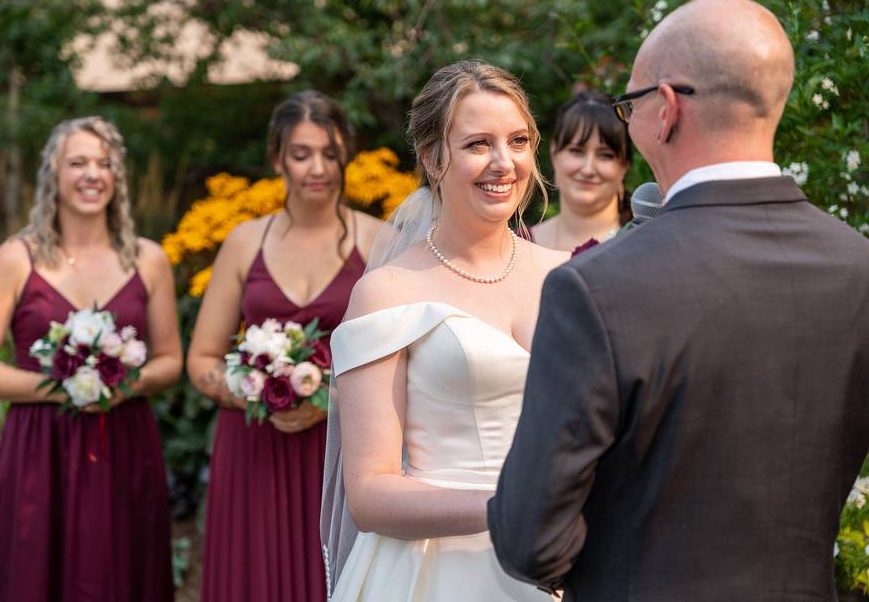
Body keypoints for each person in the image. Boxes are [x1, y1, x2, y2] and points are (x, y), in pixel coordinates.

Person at [489, 0, 869, 600]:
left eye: (630, 103)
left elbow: (529, 540)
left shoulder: (597, 287)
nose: (629, 118)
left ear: (665, 109)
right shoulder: (860, 269)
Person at [326, 60, 569, 601]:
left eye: (519, 140)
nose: (504, 163)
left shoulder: (569, 275)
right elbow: (368, 494)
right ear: (434, 159)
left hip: (562, 565)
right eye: (478, 144)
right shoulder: (388, 292)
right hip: (436, 572)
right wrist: (511, 507)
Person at [0, 116, 182, 601]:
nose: (92, 174)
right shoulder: (17, 259)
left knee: (122, 571)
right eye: (77, 162)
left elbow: (169, 362)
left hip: (123, 442)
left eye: (105, 163)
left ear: (117, 177)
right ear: (53, 174)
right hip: (40, 450)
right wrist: (66, 387)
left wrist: (120, 386)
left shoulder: (148, 260)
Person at [186, 90, 383, 602]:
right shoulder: (244, 242)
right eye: (301, 154)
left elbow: (401, 363)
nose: (318, 168)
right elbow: (202, 359)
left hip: (343, 448)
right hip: (253, 444)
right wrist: (256, 390)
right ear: (277, 159)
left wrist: (327, 401)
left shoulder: (380, 242)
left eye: (330, 153)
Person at [530, 90, 633, 252]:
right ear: (554, 153)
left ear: (625, 165)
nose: (588, 169)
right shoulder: (517, 246)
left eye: (605, 155)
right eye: (577, 151)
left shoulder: (642, 244)